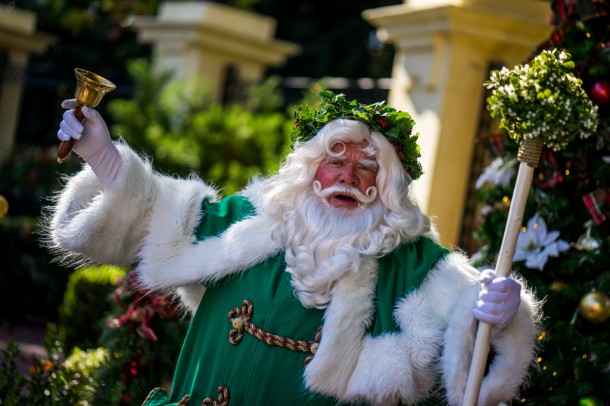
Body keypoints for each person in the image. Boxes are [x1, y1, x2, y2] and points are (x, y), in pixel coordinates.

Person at [46, 91, 540, 406]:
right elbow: (154, 210)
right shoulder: (250, 220)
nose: (347, 176)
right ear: (309, 169)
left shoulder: (410, 263)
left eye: (367, 167)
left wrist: (500, 311)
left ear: (386, 186)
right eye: (335, 160)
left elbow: (471, 320)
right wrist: (103, 156)